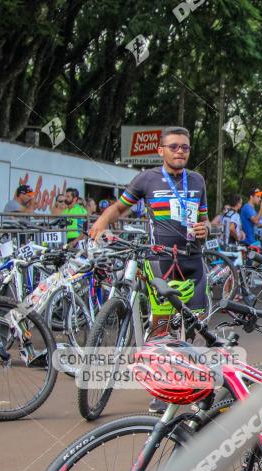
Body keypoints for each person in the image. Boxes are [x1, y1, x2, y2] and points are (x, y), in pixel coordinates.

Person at [88, 126, 209, 413]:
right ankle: (161, 387)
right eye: (174, 146)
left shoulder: (198, 181)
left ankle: (185, 377)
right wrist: (100, 224)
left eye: (185, 147)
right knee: (162, 325)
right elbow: (119, 208)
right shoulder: (147, 179)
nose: (180, 151)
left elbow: (203, 221)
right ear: (161, 151)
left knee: (193, 324)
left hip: (192, 259)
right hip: (161, 261)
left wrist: (205, 229)